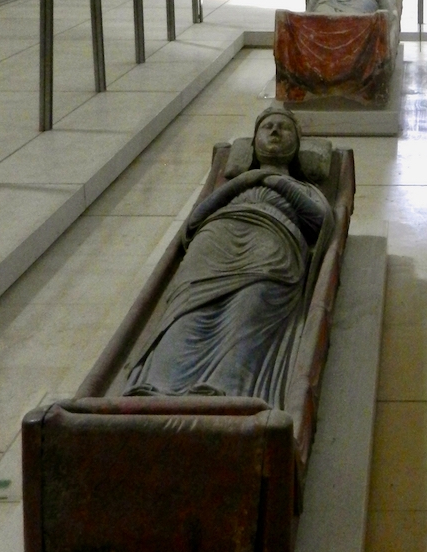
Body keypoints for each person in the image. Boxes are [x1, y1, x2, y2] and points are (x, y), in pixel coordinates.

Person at [124, 103, 333, 401]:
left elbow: (320, 222)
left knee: (251, 309)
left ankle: (227, 387)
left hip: (271, 246)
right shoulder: (238, 184)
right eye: (267, 127)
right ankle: (160, 384)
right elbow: (194, 221)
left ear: (297, 147)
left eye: (284, 128)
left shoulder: (304, 188)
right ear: (253, 144)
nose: (275, 130)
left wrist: (277, 182)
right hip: (214, 243)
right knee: (188, 311)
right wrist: (242, 182)